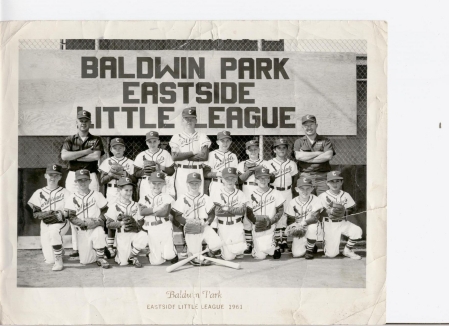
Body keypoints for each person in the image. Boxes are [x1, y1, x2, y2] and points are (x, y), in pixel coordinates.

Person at [61, 109, 104, 259]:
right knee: (74, 209)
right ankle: (76, 247)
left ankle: (93, 245)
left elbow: (96, 156)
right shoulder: (70, 139)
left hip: (90, 175)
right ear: (76, 123)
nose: (83, 123)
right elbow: (65, 156)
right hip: (73, 175)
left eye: (86, 120)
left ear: (90, 123)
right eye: (81, 120)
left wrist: (75, 156)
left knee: (92, 208)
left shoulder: (96, 139)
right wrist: (86, 151)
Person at [170, 172, 222, 266]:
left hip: (203, 225)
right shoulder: (182, 198)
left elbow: (211, 214)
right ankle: (194, 254)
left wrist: (206, 223)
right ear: (187, 184)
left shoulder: (205, 197)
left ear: (200, 183)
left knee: (217, 244)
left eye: (197, 183)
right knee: (195, 257)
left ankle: (206, 254)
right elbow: (177, 215)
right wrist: (187, 223)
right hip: (190, 227)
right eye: (192, 183)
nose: (194, 185)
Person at [27, 164, 71, 271]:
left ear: (60, 177)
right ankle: (59, 249)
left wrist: (63, 214)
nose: (53, 177)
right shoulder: (39, 192)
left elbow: (70, 211)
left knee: (54, 231)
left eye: (56, 175)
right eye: (50, 174)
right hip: (46, 223)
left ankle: (59, 260)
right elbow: (36, 213)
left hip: (61, 223)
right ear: (45, 176)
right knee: (49, 260)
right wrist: (48, 214)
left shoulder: (65, 192)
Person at [63, 169, 110, 268]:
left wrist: (98, 221)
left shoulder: (97, 195)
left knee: (99, 232)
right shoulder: (72, 197)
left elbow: (105, 210)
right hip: (82, 229)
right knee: (85, 261)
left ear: (90, 181)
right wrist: (83, 223)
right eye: (80, 180)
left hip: (96, 226)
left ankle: (101, 256)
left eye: (85, 180)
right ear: (75, 182)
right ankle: (98, 250)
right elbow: (71, 216)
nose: (82, 182)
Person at [317, 171, 363, 260]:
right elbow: (318, 212)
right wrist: (328, 212)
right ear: (327, 183)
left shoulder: (346, 195)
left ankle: (347, 250)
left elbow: (352, 208)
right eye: (332, 181)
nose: (335, 184)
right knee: (331, 255)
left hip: (342, 222)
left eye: (337, 181)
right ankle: (327, 243)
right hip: (329, 224)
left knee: (357, 231)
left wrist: (345, 212)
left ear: (342, 182)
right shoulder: (322, 196)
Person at [169, 108, 211, 199]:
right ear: (182, 121)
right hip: (181, 172)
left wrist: (185, 156)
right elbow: (175, 157)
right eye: (186, 119)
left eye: (192, 118)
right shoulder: (176, 137)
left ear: (196, 120)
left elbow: (204, 156)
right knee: (181, 199)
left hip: (197, 170)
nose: (189, 121)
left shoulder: (202, 136)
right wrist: (193, 152)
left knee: (198, 199)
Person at [138, 171, 178, 265]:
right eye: (154, 183)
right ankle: (152, 254)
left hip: (164, 226)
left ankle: (172, 254)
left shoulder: (167, 197)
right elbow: (142, 212)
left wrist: (150, 211)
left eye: (159, 183)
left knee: (168, 255)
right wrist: (156, 209)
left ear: (164, 183)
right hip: (151, 228)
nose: (157, 186)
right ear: (149, 183)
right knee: (156, 262)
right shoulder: (144, 197)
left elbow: (165, 213)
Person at [265, 138, 299, 252]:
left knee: (286, 214)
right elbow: (265, 180)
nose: (281, 150)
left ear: (287, 149)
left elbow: (294, 179)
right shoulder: (268, 163)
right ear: (274, 150)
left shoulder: (292, 164)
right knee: (276, 214)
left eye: (284, 147)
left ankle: (284, 240)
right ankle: (277, 240)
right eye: (279, 148)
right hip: (275, 190)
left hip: (287, 191)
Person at [105, 177, 145, 268]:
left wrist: (137, 225)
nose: (129, 193)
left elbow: (141, 221)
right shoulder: (114, 206)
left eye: (130, 190)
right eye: (126, 190)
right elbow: (108, 224)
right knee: (123, 262)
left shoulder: (136, 205)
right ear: (119, 190)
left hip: (134, 233)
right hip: (122, 234)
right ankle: (118, 253)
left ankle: (132, 256)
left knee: (144, 235)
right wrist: (121, 223)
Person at [237, 139, 268, 254]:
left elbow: (272, 178)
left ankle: (259, 241)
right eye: (251, 150)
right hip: (247, 188)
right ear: (247, 151)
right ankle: (249, 243)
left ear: (259, 150)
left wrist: (259, 169)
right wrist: (252, 169)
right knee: (247, 216)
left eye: (255, 149)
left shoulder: (266, 162)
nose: (253, 151)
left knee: (259, 214)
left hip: (261, 188)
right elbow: (240, 180)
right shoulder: (242, 164)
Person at [246, 166, 285, 260]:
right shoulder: (251, 194)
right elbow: (249, 213)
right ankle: (271, 248)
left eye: (266, 178)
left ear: (269, 179)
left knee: (266, 249)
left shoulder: (276, 193)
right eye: (260, 178)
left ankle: (273, 246)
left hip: (270, 226)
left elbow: (280, 211)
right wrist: (256, 221)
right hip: (257, 227)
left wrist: (270, 222)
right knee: (260, 256)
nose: (263, 180)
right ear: (256, 180)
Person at [203, 130, 238, 230]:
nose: (225, 143)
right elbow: (205, 173)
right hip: (217, 185)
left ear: (230, 142)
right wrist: (218, 174)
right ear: (217, 142)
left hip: (230, 186)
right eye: (222, 141)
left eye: (227, 141)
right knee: (215, 213)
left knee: (229, 212)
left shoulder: (233, 156)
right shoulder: (212, 154)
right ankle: (214, 243)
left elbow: (236, 173)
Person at [210, 167, 247, 261]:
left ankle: (230, 248)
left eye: (232, 178)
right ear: (222, 180)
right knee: (229, 257)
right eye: (227, 178)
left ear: (236, 179)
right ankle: (224, 248)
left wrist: (226, 208)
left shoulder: (240, 193)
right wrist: (235, 210)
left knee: (239, 253)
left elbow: (242, 211)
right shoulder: (217, 193)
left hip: (237, 226)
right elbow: (218, 212)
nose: (230, 181)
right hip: (224, 227)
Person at [294, 114, 335, 196]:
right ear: (303, 127)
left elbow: (328, 156)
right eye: (306, 125)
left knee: (324, 202)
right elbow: (298, 156)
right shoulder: (299, 142)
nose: (309, 128)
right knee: (306, 203)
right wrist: (319, 153)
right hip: (305, 177)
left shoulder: (325, 140)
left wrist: (306, 158)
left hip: (323, 177)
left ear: (316, 125)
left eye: (311, 125)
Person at [284, 177, 322, 259]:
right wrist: (292, 226)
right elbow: (290, 220)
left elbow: (315, 218)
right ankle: (310, 244)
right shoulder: (292, 202)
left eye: (308, 188)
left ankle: (309, 250)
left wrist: (302, 223)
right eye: (302, 188)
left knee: (312, 228)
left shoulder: (316, 200)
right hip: (299, 229)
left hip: (312, 226)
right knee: (297, 254)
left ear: (312, 188)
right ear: (297, 189)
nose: (305, 191)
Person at [134, 131, 175, 199]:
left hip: (161, 182)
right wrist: (144, 171)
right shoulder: (141, 155)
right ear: (146, 143)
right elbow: (135, 173)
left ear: (158, 141)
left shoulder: (165, 153)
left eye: (154, 141)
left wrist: (160, 167)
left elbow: (172, 171)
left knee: (161, 206)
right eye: (149, 142)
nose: (152, 144)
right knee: (146, 206)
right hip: (146, 183)